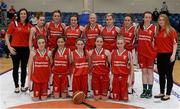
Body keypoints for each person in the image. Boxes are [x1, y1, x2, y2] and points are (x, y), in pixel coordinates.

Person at [5, 8, 32, 93]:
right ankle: (16, 86)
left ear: (27, 15)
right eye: (22, 13)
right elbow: (7, 36)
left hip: (25, 49)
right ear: (19, 15)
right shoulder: (13, 24)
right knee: (15, 68)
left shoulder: (29, 25)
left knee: (24, 68)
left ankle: (23, 86)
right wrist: (9, 47)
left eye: (25, 13)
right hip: (15, 49)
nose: (23, 15)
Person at [154, 14, 178, 101]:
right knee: (161, 75)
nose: (160, 21)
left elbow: (175, 44)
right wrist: (156, 56)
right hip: (160, 55)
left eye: (162, 20)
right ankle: (161, 92)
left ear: (166, 21)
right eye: (159, 20)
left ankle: (168, 94)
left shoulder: (171, 30)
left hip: (169, 55)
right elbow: (157, 45)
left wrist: (173, 54)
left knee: (168, 75)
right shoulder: (158, 30)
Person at [137, 11, 157, 99]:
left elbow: (156, 43)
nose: (147, 19)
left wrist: (155, 54)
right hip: (141, 54)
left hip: (150, 54)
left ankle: (150, 91)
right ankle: (145, 90)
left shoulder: (154, 28)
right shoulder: (139, 28)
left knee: (150, 72)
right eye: (146, 17)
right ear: (143, 18)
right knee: (144, 72)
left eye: (149, 17)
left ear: (151, 19)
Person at [28, 36, 51, 101]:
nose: (41, 44)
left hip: (45, 80)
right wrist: (29, 81)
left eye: (43, 42)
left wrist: (50, 78)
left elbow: (51, 66)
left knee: (44, 99)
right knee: (35, 99)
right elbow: (29, 67)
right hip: (36, 80)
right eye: (39, 43)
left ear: (45, 43)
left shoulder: (49, 53)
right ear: (37, 44)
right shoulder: (33, 53)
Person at [111, 36, 134, 101]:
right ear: (116, 44)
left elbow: (132, 67)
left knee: (126, 100)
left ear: (124, 43)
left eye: (121, 43)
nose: (120, 45)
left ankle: (129, 91)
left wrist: (131, 79)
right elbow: (110, 66)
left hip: (125, 77)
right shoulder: (113, 52)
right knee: (116, 99)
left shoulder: (128, 53)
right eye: (118, 43)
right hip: (115, 77)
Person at [89, 36, 111, 100]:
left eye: (101, 42)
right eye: (97, 41)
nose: (99, 43)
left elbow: (111, 64)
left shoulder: (107, 52)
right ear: (95, 42)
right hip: (95, 76)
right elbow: (90, 64)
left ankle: (108, 92)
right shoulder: (90, 52)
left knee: (104, 98)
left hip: (104, 76)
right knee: (96, 98)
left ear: (103, 43)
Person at [120, 15, 136, 94]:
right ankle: (124, 84)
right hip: (123, 50)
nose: (126, 21)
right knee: (124, 68)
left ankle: (131, 86)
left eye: (128, 20)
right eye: (125, 20)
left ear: (131, 21)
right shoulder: (121, 29)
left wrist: (132, 48)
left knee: (131, 69)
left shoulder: (135, 29)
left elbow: (137, 41)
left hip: (131, 51)